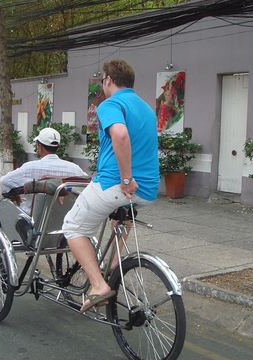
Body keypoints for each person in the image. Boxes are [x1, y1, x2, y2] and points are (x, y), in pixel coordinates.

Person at [62, 59, 160, 313]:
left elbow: (120, 135)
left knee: (72, 227)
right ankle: (115, 268)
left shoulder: (111, 104)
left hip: (116, 184)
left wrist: (126, 178)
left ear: (108, 80)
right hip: (147, 190)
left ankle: (99, 285)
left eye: (102, 80)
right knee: (122, 217)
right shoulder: (147, 108)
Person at [0, 127, 88, 214]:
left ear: (39, 146)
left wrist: (14, 195)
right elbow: (87, 186)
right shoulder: (75, 169)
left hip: (33, 219)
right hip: (66, 219)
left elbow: (4, 181)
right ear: (58, 147)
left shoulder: (29, 168)